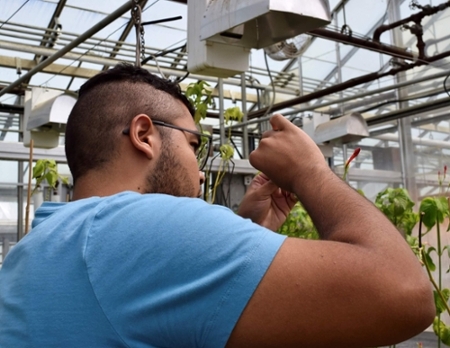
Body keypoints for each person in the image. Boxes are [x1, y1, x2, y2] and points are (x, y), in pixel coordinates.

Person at [0, 63, 434, 347]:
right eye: (193, 144)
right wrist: (311, 171)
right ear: (144, 135)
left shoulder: (36, 249)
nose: (202, 170)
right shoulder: (137, 228)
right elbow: (404, 293)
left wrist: (247, 227)